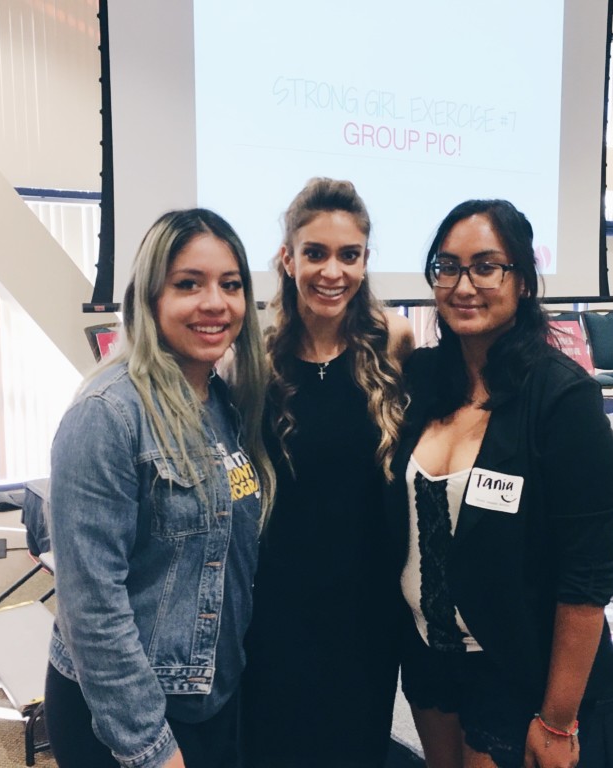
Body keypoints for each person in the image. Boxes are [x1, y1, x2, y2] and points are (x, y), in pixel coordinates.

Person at [385, 199, 613, 768]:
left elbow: (588, 576)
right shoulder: (422, 379)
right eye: (448, 267)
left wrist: (559, 717)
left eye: (486, 266)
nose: (464, 285)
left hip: (518, 661)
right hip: (429, 651)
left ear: (522, 280)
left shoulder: (562, 399)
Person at [44, 208, 275, 768]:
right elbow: (92, 610)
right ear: (150, 299)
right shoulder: (108, 415)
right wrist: (151, 747)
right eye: (188, 284)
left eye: (231, 284)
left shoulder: (223, 403)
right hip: (125, 717)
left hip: (209, 699)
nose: (215, 303)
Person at [240, 177, 414, 768]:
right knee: (278, 743)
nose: (331, 271)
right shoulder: (258, 358)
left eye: (349, 255)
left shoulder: (394, 341)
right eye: (315, 253)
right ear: (288, 259)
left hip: (369, 600)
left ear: (366, 261)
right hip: (279, 597)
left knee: (355, 744)